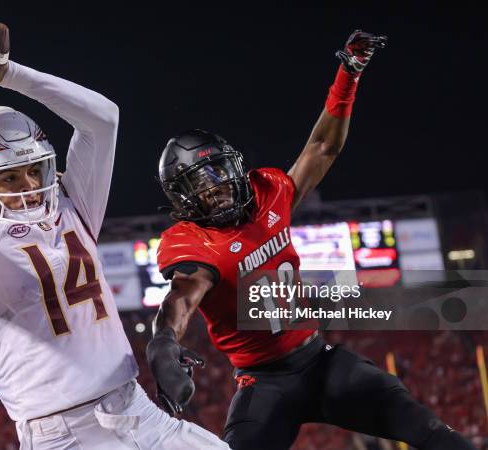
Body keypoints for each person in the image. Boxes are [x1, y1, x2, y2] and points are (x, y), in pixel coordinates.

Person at [147, 30, 477, 450]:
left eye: (220, 174)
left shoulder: (269, 193)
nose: (219, 188)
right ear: (183, 197)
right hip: (263, 383)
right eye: (202, 182)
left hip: (321, 361)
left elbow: (322, 146)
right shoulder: (193, 242)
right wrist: (163, 339)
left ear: (235, 166)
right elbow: (181, 298)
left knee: (432, 433)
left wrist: (349, 73)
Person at [0, 22, 229, 450]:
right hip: (62, 437)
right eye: (8, 176)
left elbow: (103, 119)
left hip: (137, 411)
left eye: (34, 169)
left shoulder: (69, 207)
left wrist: (7, 73)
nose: (28, 184)